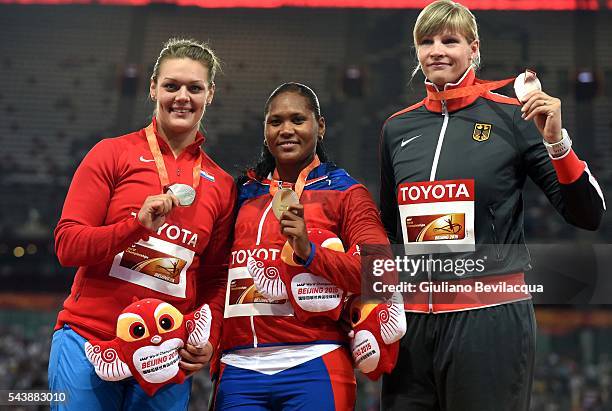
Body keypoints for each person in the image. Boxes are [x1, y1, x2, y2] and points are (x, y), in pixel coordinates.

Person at [378, 1, 606, 410]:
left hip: (489, 317)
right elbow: (389, 233)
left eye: (450, 40)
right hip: (411, 326)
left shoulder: (515, 118)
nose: (437, 50)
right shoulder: (397, 128)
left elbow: (587, 214)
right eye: (426, 41)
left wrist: (556, 141)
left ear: (473, 48)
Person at [49, 38, 236, 411]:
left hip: (166, 356)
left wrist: (210, 337)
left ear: (210, 94)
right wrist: (135, 226)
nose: (182, 96)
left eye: (194, 88)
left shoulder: (222, 185)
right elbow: (67, 246)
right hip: (90, 339)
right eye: (171, 86)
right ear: (153, 88)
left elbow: (216, 278)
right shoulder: (111, 154)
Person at [212, 82, 390, 410]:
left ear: (319, 126)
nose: (286, 130)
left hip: (315, 360)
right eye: (275, 121)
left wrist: (310, 251)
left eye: (298, 119)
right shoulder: (241, 194)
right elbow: (217, 276)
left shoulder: (347, 193)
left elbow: (380, 275)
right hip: (238, 368)